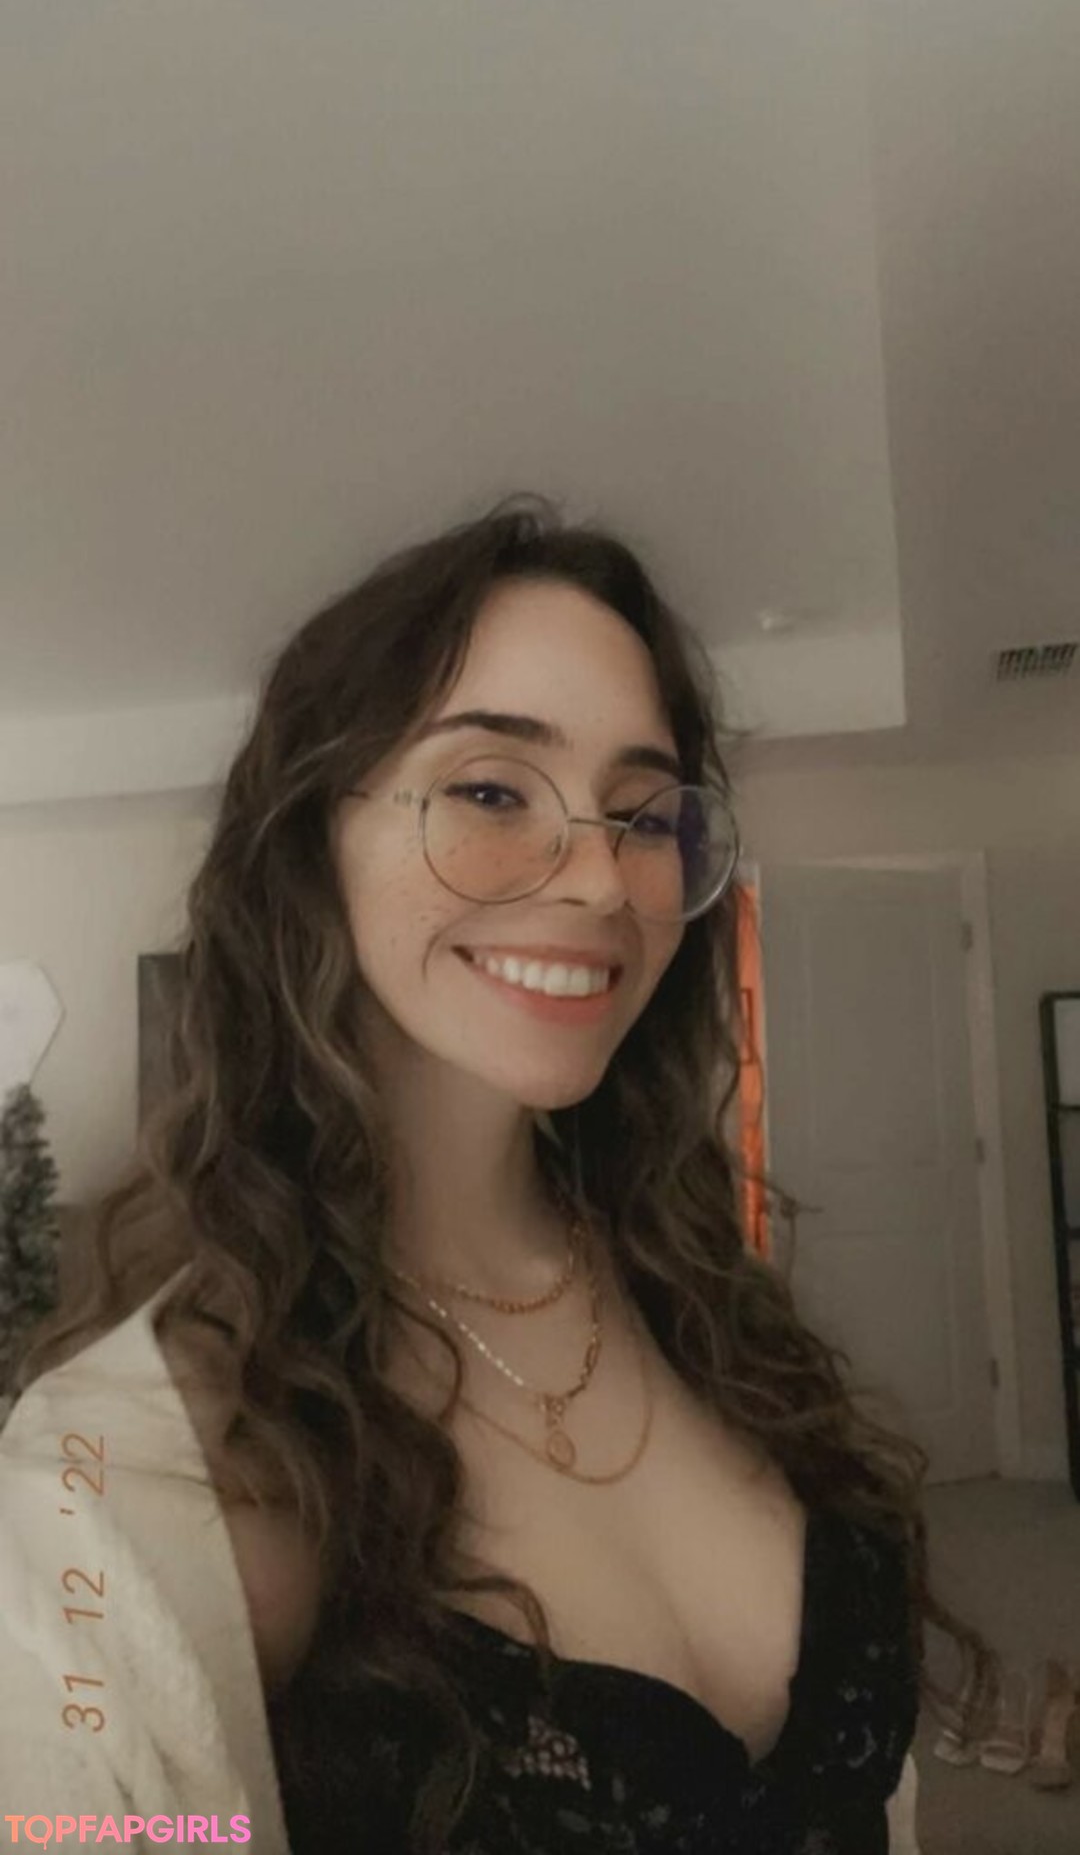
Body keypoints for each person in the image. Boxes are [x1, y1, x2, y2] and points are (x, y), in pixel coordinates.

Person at [3, 494, 994, 1853]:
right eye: (489, 791)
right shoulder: (110, 1484)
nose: (601, 881)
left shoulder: (708, 1305)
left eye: (641, 815)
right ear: (311, 840)